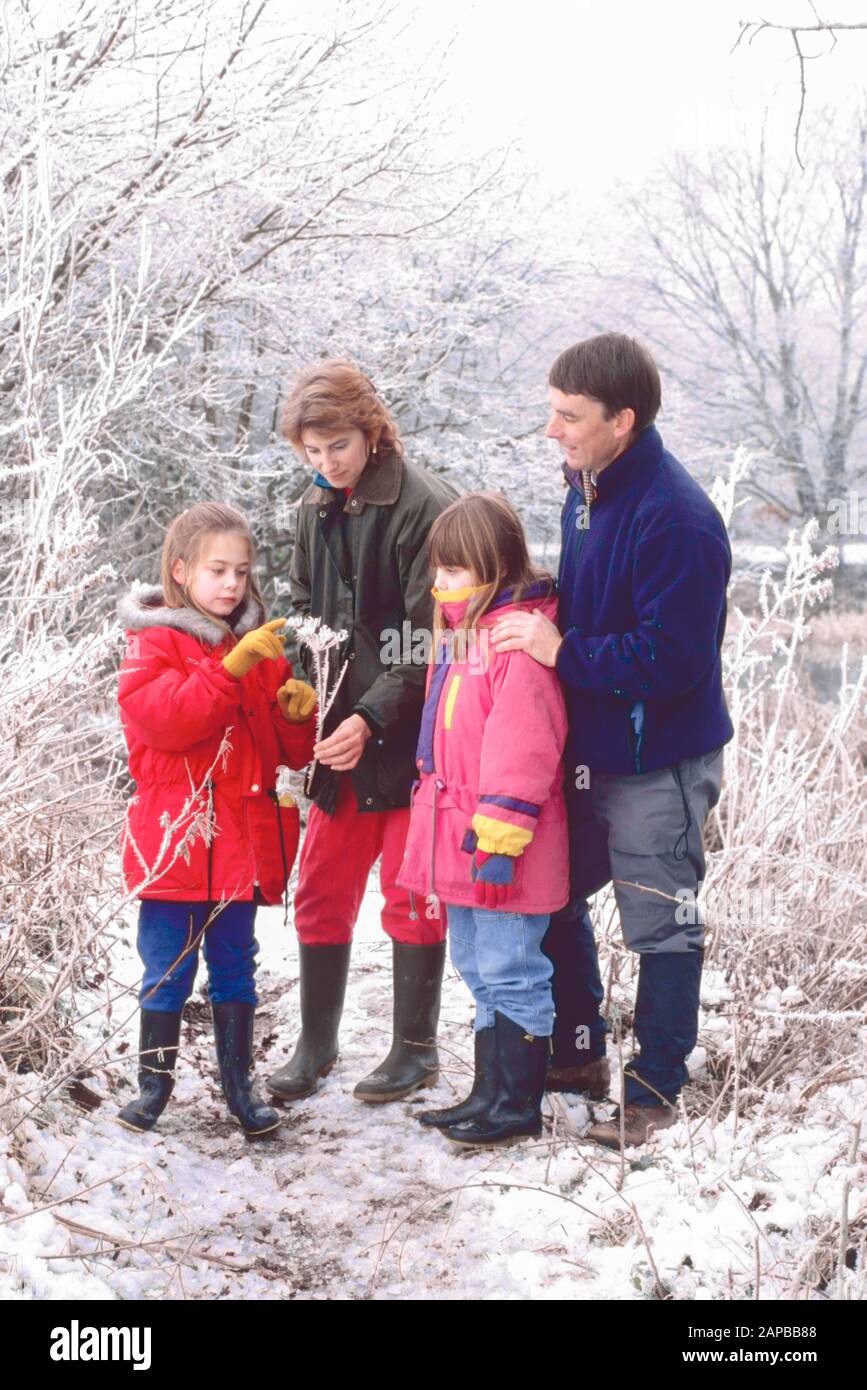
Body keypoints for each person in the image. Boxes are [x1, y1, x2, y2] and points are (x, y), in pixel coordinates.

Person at [491, 333, 733, 1149]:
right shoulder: (586, 488)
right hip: (591, 749)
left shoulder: (678, 518)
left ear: (621, 420)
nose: (551, 430)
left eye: (568, 416)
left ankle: (656, 1089)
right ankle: (580, 1052)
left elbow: (674, 658)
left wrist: (563, 652)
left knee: (660, 920)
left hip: (656, 758)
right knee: (549, 889)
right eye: (550, 412)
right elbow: (596, 600)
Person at [267, 361, 457, 1106]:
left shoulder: (425, 505)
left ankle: (415, 1051)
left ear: (371, 427)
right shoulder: (309, 509)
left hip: (406, 741)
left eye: (337, 445)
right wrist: (301, 696)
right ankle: (316, 1043)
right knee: (319, 891)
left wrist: (370, 715)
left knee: (411, 895)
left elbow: (428, 640)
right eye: (311, 452)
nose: (325, 464)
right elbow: (302, 611)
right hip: (336, 741)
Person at [116, 502, 316, 1137]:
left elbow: (293, 755)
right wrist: (228, 669)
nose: (232, 583)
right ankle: (154, 1086)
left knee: (236, 965)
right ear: (181, 572)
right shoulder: (153, 644)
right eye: (217, 570)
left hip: (242, 844)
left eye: (242, 570)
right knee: (167, 965)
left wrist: (294, 713)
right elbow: (168, 721)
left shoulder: (261, 650)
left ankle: (239, 1085)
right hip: (176, 841)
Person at [399, 493, 569, 1146]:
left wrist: (499, 836)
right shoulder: (463, 638)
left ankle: (517, 1106)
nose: (439, 586)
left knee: (512, 970)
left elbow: (523, 750)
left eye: (453, 573)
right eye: (435, 572)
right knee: (476, 964)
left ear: (492, 570)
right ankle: (487, 1092)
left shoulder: (513, 645)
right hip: (461, 842)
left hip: (505, 845)